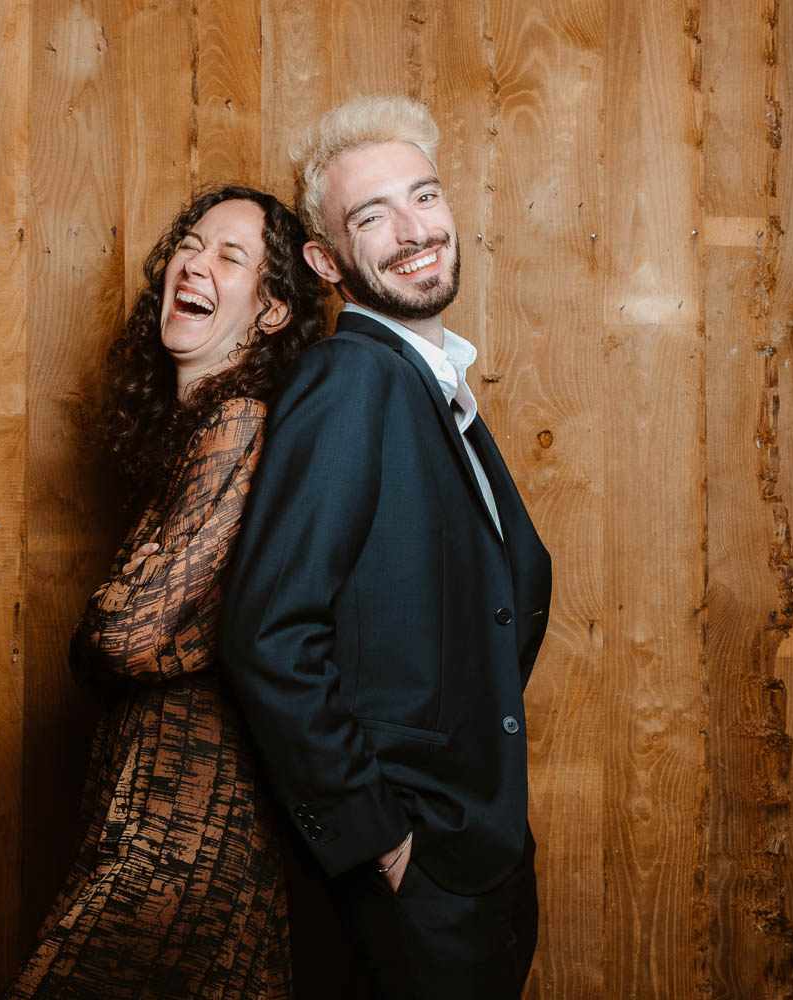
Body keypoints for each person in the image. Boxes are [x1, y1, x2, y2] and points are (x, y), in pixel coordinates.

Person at [219, 96, 553, 999]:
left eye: (425, 197)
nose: (414, 231)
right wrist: (382, 840)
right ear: (328, 261)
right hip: (417, 868)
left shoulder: (427, 383)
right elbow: (268, 634)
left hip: (479, 852)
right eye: (372, 216)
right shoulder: (351, 378)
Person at [3, 186, 326, 999]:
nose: (195, 261)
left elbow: (121, 635)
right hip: (155, 805)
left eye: (231, 255)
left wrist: (108, 627)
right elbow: (143, 631)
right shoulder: (195, 434)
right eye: (191, 241)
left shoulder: (237, 422)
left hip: (184, 824)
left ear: (272, 314)